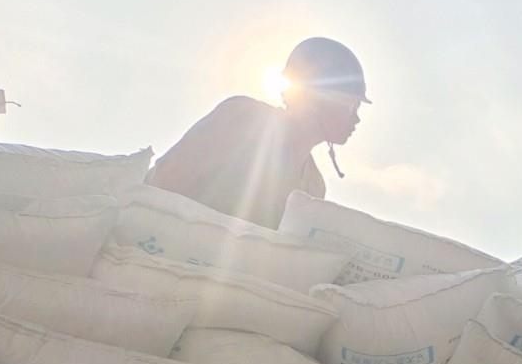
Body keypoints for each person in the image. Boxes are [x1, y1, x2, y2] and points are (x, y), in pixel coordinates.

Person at [145, 37, 369, 229]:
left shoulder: (313, 186)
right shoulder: (243, 118)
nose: (356, 119)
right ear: (318, 98)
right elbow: (165, 179)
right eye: (352, 106)